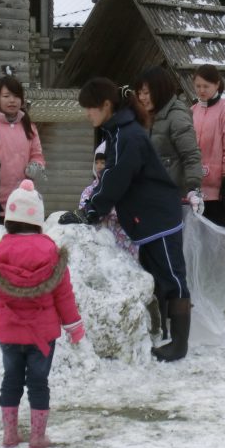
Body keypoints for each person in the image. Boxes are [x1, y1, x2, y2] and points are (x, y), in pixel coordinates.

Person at [62, 78, 191, 362]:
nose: (87, 114)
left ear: (106, 106)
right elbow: (111, 177)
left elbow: (117, 178)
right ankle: (167, 335)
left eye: (90, 108)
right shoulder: (118, 133)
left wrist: (90, 211)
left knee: (172, 278)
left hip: (159, 217)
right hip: (147, 219)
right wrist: (92, 208)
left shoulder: (127, 135)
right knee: (159, 277)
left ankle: (179, 344)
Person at [0, 180, 83, 448]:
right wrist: (74, 326)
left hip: (9, 332)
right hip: (42, 335)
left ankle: (10, 434)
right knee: (39, 383)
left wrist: (6, 306)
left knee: (11, 378)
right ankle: (37, 437)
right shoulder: (51, 251)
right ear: (38, 220)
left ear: (10, 220)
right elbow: (63, 295)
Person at [190, 64, 225, 299]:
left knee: (220, 236)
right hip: (194, 187)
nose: (202, 90)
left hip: (217, 186)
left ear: (217, 86)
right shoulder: (192, 110)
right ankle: (200, 279)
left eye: (206, 86)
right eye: (198, 86)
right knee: (196, 237)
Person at [135, 66, 203, 203]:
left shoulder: (177, 117)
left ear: (159, 91)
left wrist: (193, 189)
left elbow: (191, 155)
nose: (141, 98)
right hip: (148, 194)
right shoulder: (147, 116)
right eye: (139, 93)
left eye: (146, 93)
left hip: (171, 196)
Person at [0, 77, 46, 200]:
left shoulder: (29, 127)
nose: (12, 100)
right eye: (6, 96)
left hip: (23, 199)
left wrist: (36, 166)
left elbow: (37, 155)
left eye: (16, 96)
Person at [79, 145, 136, 257]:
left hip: (123, 242)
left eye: (103, 162)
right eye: (97, 162)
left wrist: (104, 211)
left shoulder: (123, 188)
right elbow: (84, 211)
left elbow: (129, 212)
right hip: (99, 242)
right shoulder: (89, 190)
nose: (99, 166)